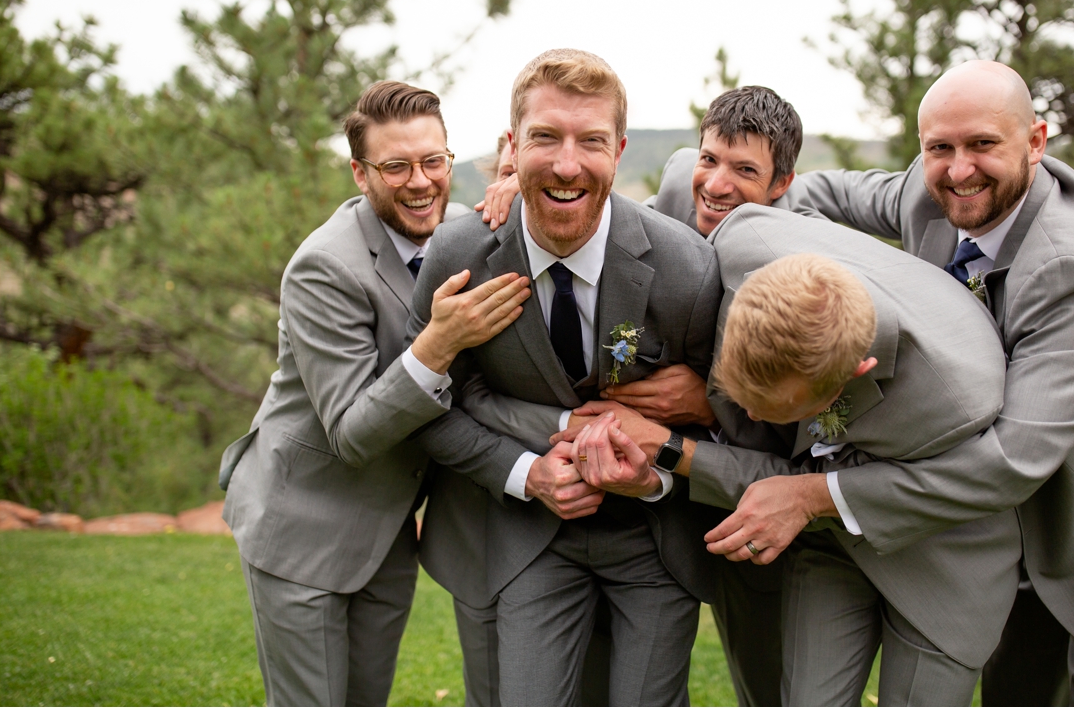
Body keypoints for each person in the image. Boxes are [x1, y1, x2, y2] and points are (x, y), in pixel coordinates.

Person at [793, 60, 1074, 706]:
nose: (959, 168)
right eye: (939, 147)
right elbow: (815, 195)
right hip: (1013, 533)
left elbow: (1010, 460)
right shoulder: (931, 189)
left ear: (1035, 141)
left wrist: (817, 494)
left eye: (983, 145)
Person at [570, 206, 1020, 704]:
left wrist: (670, 449)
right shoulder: (741, 241)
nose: (754, 423)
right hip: (829, 545)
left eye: (773, 410)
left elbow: (802, 485)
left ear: (855, 371)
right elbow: (677, 182)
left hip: (939, 556)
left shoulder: (953, 403)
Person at [478, 84, 811, 705]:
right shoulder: (677, 212)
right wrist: (515, 187)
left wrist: (706, 402)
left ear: (781, 183)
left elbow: (779, 439)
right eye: (710, 160)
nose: (715, 184)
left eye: (745, 171)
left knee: (766, 677)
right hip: (593, 518)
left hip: (728, 505)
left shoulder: (786, 263)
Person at [408, 48, 721, 705]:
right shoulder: (461, 256)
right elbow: (433, 402)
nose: (568, 163)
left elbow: (732, 421)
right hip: (527, 534)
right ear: (512, 146)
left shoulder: (686, 270)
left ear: (621, 150)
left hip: (654, 540)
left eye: (592, 142)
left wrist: (663, 468)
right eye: (545, 137)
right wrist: (527, 472)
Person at [215, 80, 533, 706]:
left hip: (386, 533)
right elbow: (352, 433)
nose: (420, 182)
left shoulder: (455, 238)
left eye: (433, 162)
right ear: (361, 174)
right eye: (396, 167)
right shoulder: (323, 269)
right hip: (303, 527)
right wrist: (439, 342)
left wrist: (522, 198)